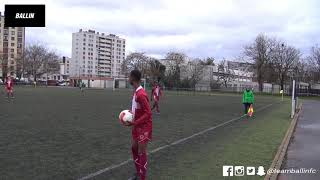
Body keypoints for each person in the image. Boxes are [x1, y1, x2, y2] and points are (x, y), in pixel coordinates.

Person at [125, 70, 152, 180]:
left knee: (141, 152)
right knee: (134, 148)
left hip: (144, 126)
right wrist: (129, 115)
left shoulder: (141, 94)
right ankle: (138, 172)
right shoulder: (135, 92)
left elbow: (148, 113)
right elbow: (137, 109)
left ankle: (142, 177)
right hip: (137, 125)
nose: (128, 78)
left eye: (129, 76)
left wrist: (135, 122)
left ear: (133, 78)